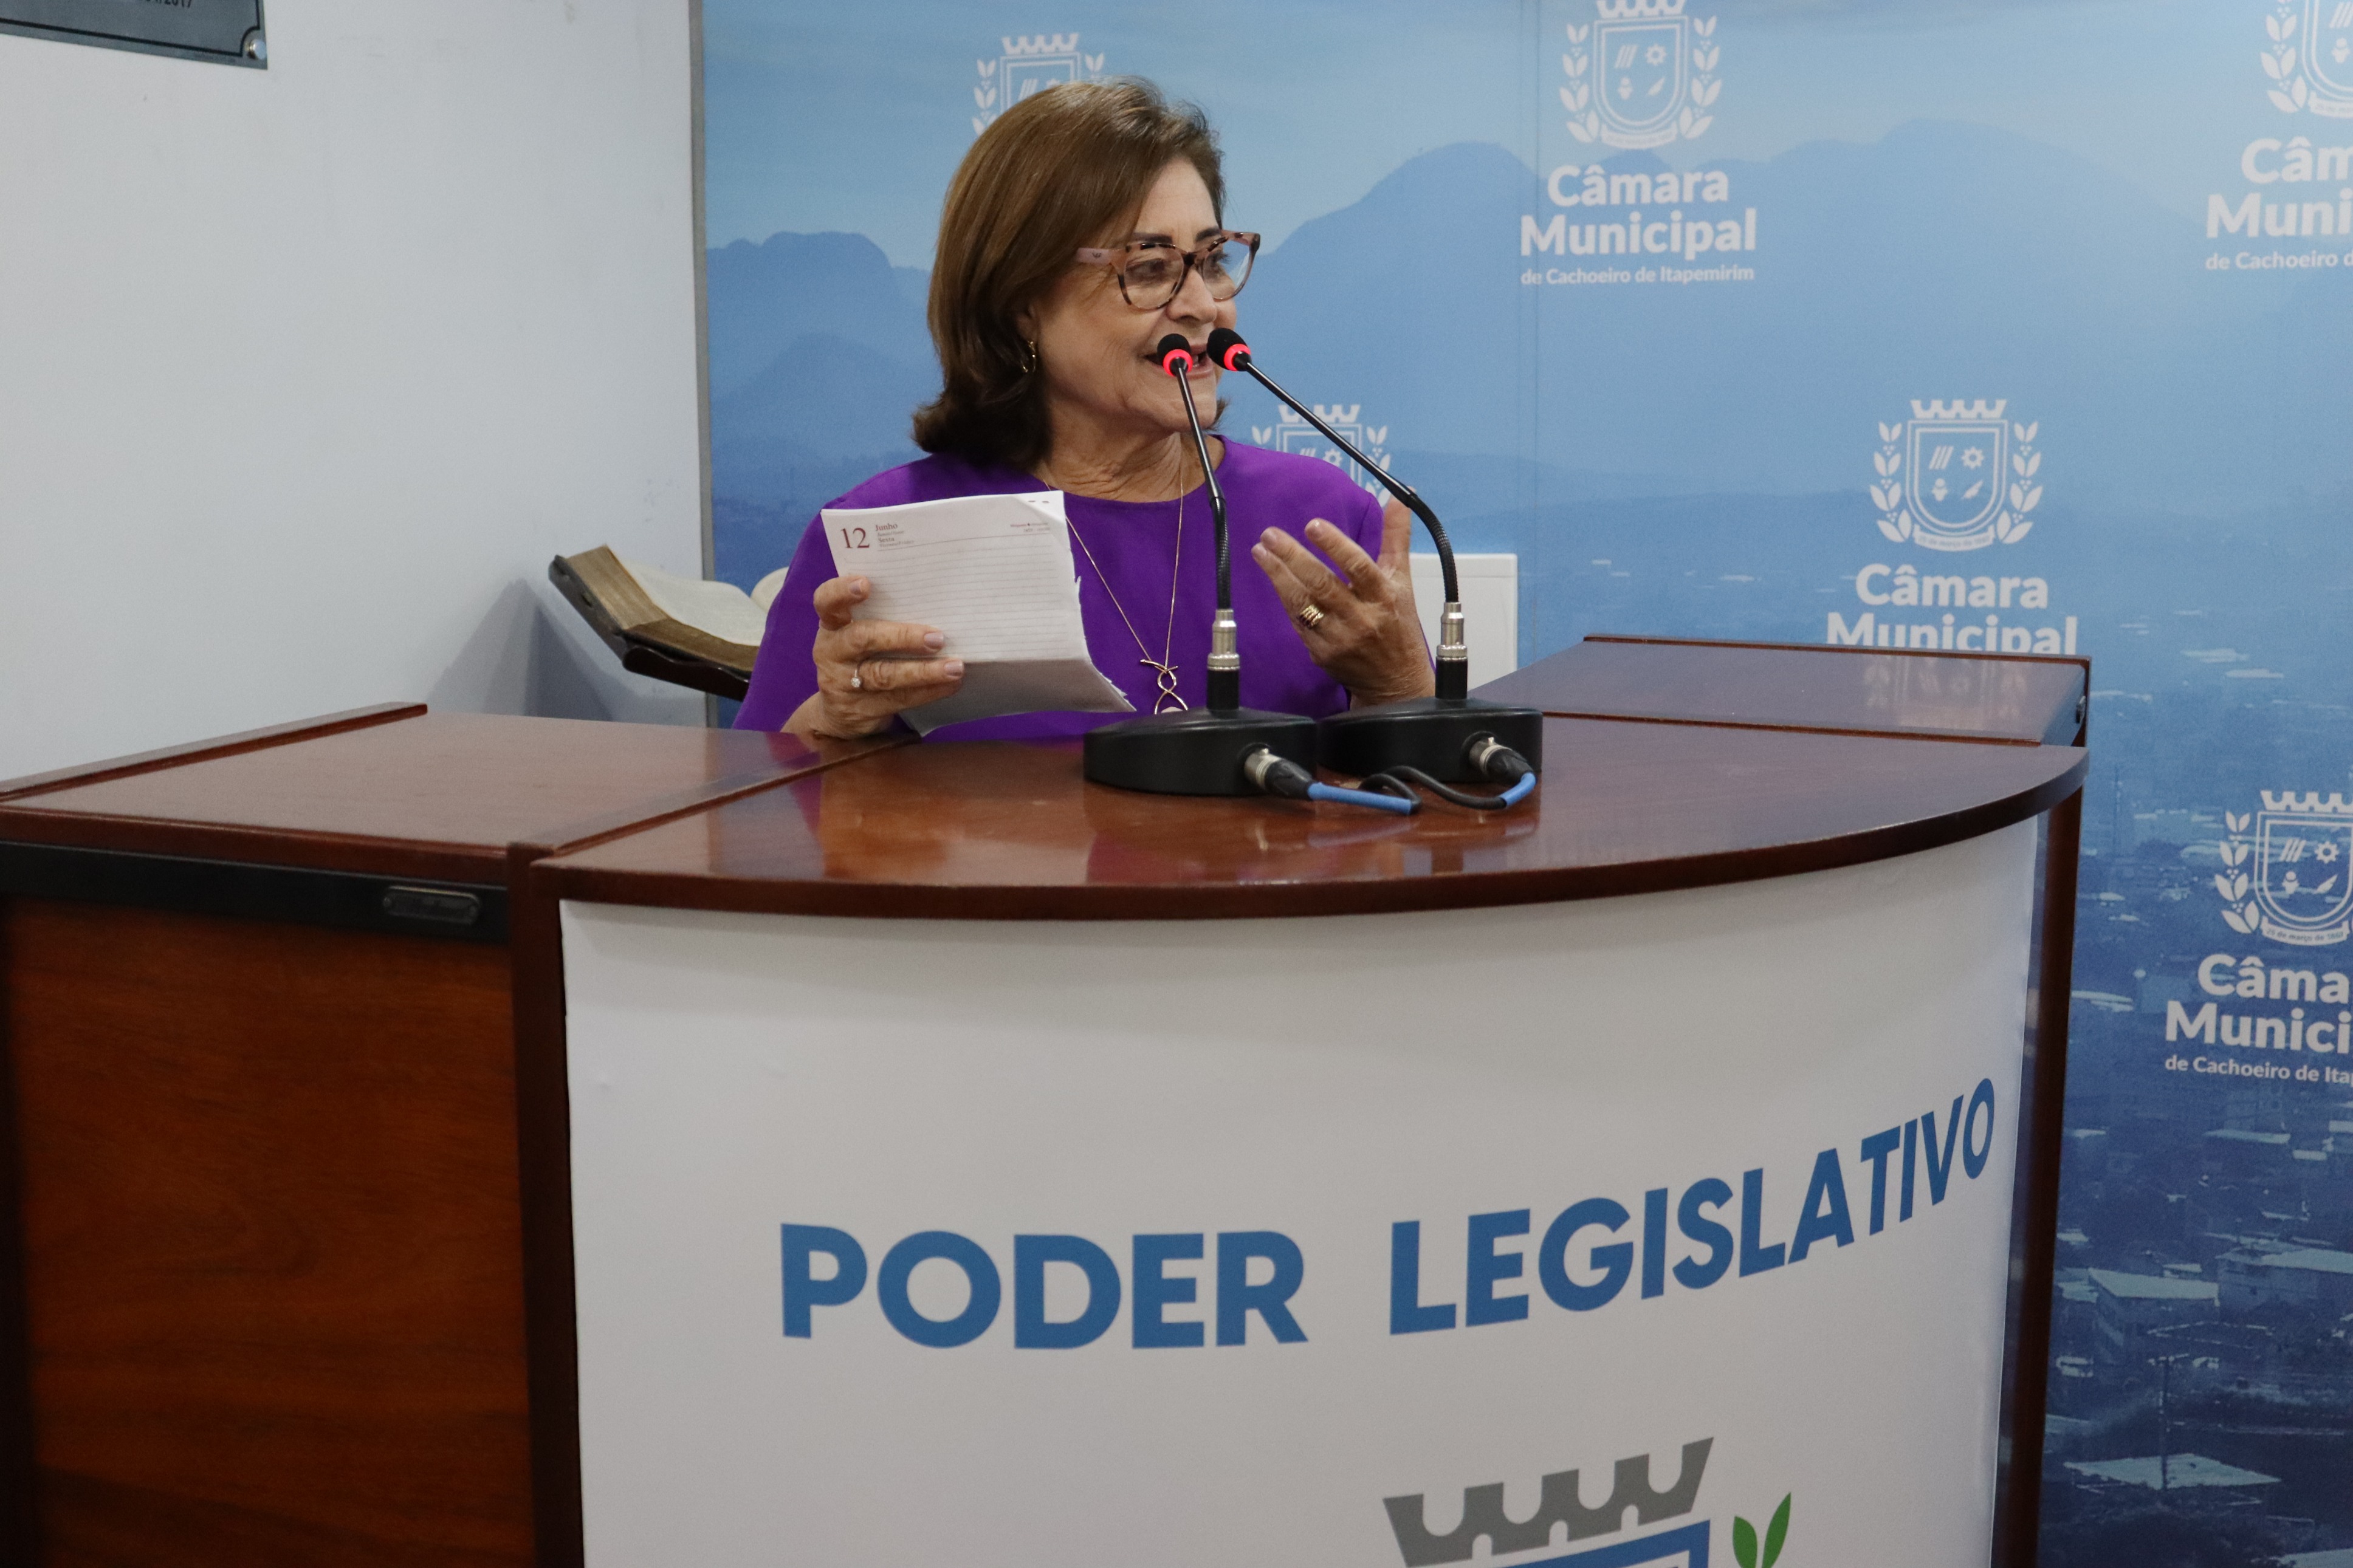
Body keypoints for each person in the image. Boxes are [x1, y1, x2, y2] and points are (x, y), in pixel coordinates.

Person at [733, 77, 1434, 741]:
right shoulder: (879, 537)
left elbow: (1429, 803)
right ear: (1021, 305)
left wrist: (1397, 684)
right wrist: (831, 722)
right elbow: (757, 808)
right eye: (1150, 268)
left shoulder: (1322, 519)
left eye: (1212, 261)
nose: (1202, 306)